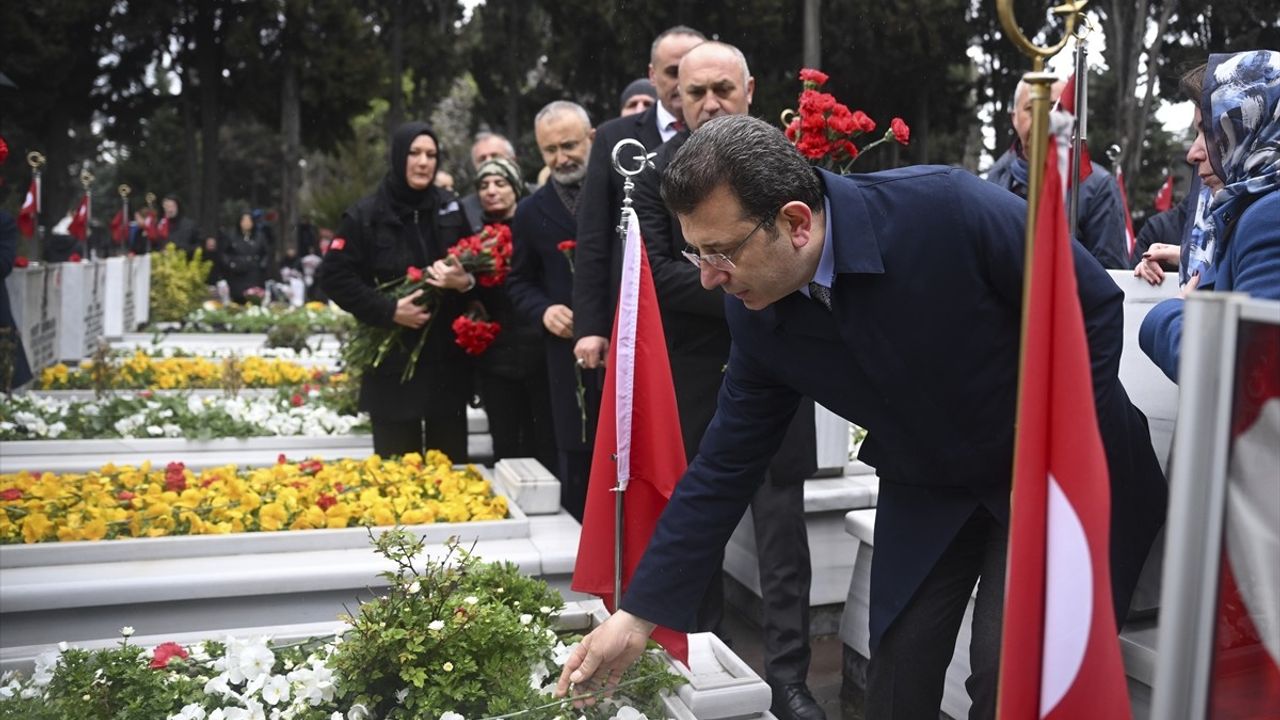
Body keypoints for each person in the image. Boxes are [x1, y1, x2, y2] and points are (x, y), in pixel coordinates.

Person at [555, 115, 1167, 719]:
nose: (710, 279)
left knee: (1009, 681)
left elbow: (1090, 306)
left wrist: (1049, 454)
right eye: (696, 254)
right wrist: (638, 616)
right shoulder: (757, 310)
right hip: (930, 477)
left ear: (795, 223)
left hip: (1053, 465)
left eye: (720, 253)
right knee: (898, 672)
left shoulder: (943, 210)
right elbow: (723, 467)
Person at [626, 41, 822, 720]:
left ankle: (791, 678)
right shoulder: (656, 175)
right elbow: (663, 272)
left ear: (749, 91)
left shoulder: (785, 165)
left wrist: (757, 283)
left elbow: (809, 251)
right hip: (694, 374)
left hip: (783, 367)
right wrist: (755, 284)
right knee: (698, 510)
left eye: (723, 90)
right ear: (675, 97)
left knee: (781, 533)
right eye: (695, 91)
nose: (709, 102)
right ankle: (701, 655)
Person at [320, 121, 476, 460]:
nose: (423, 162)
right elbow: (333, 276)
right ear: (397, 157)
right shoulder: (367, 214)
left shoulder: (450, 207)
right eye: (414, 153)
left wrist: (464, 283)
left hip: (445, 367)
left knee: (450, 474)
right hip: (393, 366)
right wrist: (388, 310)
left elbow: (474, 271)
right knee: (397, 478)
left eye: (431, 155)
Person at [1140, 51, 1280, 382]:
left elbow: (1240, 375)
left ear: (1254, 126)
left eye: (1210, 131)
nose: (1193, 152)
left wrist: (1172, 313)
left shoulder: (1269, 216)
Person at [572, 25, 705, 371]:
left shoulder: (724, 132)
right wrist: (591, 327)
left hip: (702, 318)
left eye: (689, 71)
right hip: (636, 311)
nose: (680, 83)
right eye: (672, 72)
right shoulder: (614, 138)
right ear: (652, 75)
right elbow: (593, 235)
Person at [507, 101, 602, 522]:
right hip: (566, 362)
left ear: (592, 138)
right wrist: (544, 311)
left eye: (569, 145)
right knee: (577, 466)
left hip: (627, 349)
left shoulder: (627, 193)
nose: (561, 158)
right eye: (550, 150)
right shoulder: (530, 211)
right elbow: (518, 281)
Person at [468, 157, 557, 473]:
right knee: (504, 445)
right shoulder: (473, 240)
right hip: (496, 358)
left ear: (516, 188)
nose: (491, 191)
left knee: (545, 442)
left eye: (500, 183)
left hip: (539, 354)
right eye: (484, 185)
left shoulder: (536, 227)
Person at [986, 79, 1129, 269]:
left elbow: (1111, 275)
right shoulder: (995, 180)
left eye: (1054, 108)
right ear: (1014, 118)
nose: (1042, 119)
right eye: (1031, 108)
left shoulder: (1098, 187)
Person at [461, 132, 519, 230]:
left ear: (512, 160)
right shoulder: (464, 211)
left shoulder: (535, 199)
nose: (489, 162)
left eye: (495, 156)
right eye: (482, 159)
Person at [222, 211, 271, 302]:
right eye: (244, 221)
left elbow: (266, 253)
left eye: (249, 221)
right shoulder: (231, 236)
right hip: (237, 272)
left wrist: (262, 265)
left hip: (254, 273)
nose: (246, 223)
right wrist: (231, 264)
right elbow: (224, 253)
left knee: (254, 298)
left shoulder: (259, 236)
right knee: (238, 299)